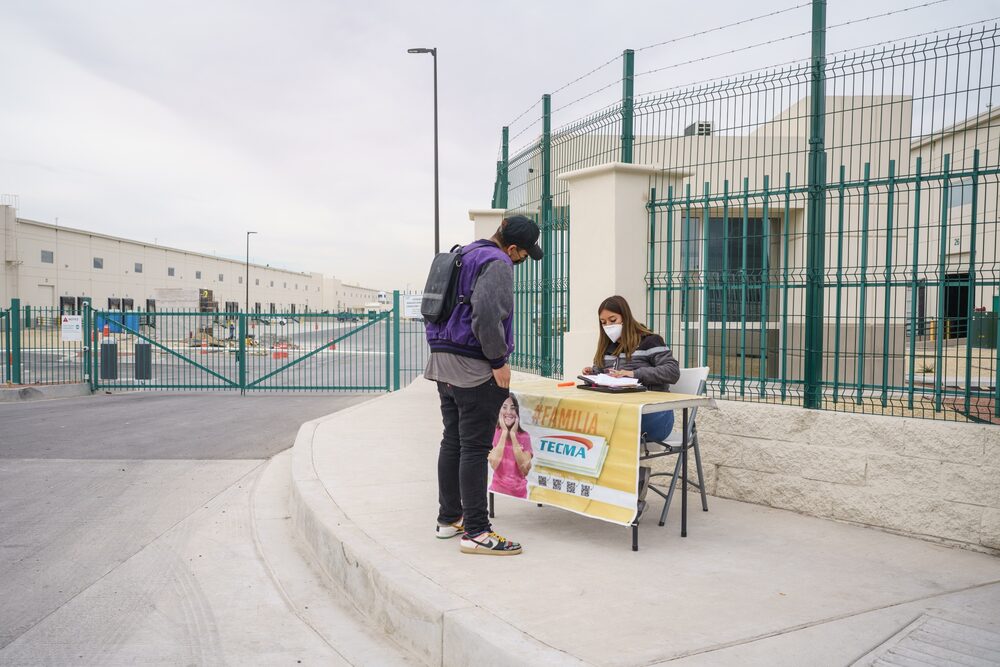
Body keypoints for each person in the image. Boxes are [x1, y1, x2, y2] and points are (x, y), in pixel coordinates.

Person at [425, 215, 543, 556]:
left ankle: (450, 518)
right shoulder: (498, 262)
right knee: (476, 447)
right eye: (522, 255)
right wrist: (497, 361)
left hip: (443, 362)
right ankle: (477, 531)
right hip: (474, 367)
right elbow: (486, 315)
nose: (520, 262)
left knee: (453, 440)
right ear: (511, 247)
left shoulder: (463, 254)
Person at [582, 295, 681, 443]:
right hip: (620, 412)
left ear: (625, 317)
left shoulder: (650, 341)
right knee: (584, 423)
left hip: (653, 413)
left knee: (607, 431)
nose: (608, 325)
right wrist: (593, 374)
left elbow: (672, 372)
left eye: (613, 320)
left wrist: (633, 374)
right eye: (603, 322)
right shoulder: (607, 347)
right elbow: (604, 379)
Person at [488, 396, 533, 499]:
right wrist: (504, 432)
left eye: (512, 408)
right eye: (504, 407)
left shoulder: (525, 436)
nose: (508, 412)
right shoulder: (494, 432)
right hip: (497, 488)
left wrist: (513, 435)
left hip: (520, 493)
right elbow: (494, 464)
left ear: (517, 411)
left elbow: (524, 470)